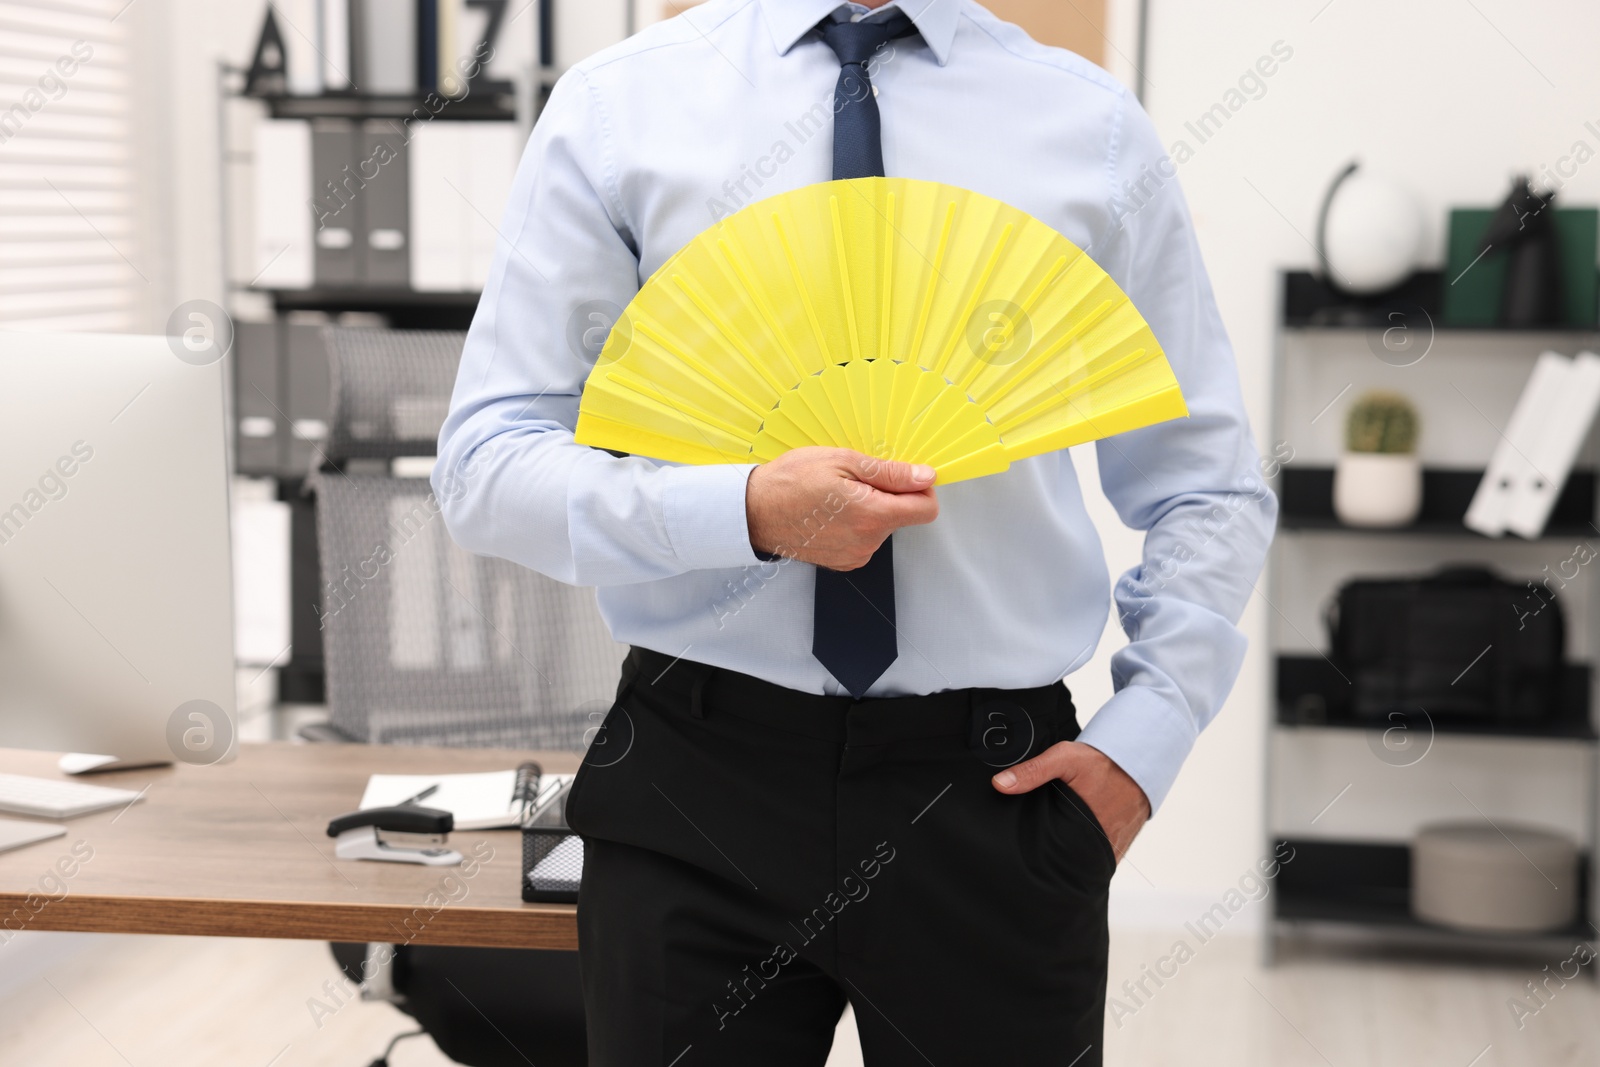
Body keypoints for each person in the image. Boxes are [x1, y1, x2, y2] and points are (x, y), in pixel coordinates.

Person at [435, 1, 1276, 1063]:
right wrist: (741, 510)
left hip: (992, 796)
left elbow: (1209, 484)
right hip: (696, 777)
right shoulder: (619, 107)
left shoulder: (1088, 124)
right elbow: (484, 464)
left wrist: (1145, 739)